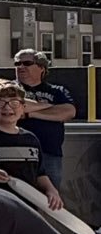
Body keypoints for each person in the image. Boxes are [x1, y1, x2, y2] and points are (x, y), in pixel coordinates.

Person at [0, 79, 63, 209]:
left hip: (27, 210)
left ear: (23, 108)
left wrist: (51, 190)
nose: (7, 107)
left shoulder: (30, 139)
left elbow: (39, 173)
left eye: (14, 102)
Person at [13, 49, 75, 187]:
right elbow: (17, 105)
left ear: (41, 67)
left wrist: (31, 114)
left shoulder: (57, 91)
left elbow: (68, 111)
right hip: (15, 152)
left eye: (27, 63)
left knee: (49, 201)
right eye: (17, 63)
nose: (21, 67)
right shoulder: (9, 88)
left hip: (49, 153)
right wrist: (49, 107)